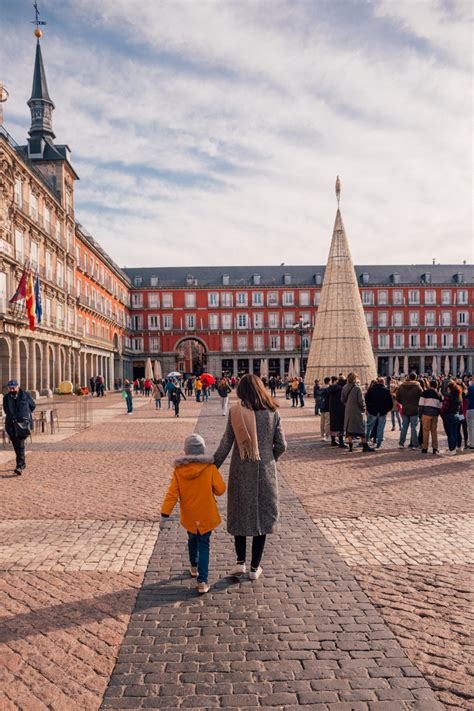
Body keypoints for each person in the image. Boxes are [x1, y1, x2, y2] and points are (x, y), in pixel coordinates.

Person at [213, 374, 287, 580]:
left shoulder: (235, 412)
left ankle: (240, 562)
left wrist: (212, 467)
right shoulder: (272, 413)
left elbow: (225, 444)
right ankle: (255, 567)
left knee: (240, 513)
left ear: (242, 392)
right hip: (265, 472)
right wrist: (270, 459)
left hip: (240, 471)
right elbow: (282, 445)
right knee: (262, 518)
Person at [161, 434, 226, 594]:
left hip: (189, 514)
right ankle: (202, 581)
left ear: (186, 451)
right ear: (202, 450)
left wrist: (165, 513)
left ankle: (193, 566)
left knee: (192, 539)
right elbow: (221, 490)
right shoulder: (210, 468)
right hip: (206, 514)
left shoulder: (179, 471)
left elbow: (172, 494)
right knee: (204, 544)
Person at [3, 379, 36, 475]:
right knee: (16, 445)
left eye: (13, 388)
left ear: (18, 387)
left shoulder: (25, 395)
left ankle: (19, 465)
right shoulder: (6, 398)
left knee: (20, 444)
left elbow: (32, 406)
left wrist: (24, 414)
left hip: (22, 424)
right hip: (11, 424)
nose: (12, 390)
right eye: (10, 388)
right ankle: (22, 463)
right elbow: (6, 410)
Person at [341, 372, 374, 453]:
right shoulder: (357, 388)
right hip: (357, 411)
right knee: (361, 428)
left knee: (349, 429)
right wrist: (363, 408)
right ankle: (365, 446)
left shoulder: (344, 387)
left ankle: (350, 447)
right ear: (354, 379)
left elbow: (342, 399)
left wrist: (348, 405)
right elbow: (361, 401)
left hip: (348, 411)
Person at [365, 377, 393, 449]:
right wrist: (386, 410)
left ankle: (365, 442)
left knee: (369, 427)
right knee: (380, 428)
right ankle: (379, 444)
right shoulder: (386, 391)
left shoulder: (371, 390)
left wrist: (369, 408)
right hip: (382, 412)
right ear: (383, 382)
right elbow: (390, 403)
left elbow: (366, 400)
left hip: (372, 411)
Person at [397, 373, 423, 449]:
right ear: (415, 378)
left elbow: (398, 397)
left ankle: (401, 443)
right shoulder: (418, 387)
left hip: (405, 409)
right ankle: (415, 444)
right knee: (413, 427)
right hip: (415, 409)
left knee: (404, 427)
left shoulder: (401, 386)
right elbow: (422, 398)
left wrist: (404, 403)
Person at [418, 379, 442, 454]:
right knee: (434, 432)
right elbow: (440, 407)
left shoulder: (424, 393)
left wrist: (420, 414)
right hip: (434, 415)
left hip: (426, 414)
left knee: (425, 431)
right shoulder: (439, 395)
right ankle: (435, 448)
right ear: (436, 386)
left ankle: (425, 448)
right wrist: (437, 414)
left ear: (429, 385)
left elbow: (421, 405)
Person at [441, 381, 462, 455]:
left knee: (450, 434)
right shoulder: (458, 396)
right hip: (456, 415)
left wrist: (442, 414)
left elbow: (444, 407)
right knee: (454, 433)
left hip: (448, 416)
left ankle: (451, 449)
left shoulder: (448, 396)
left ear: (449, 388)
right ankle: (454, 447)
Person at [327, 376, 346, 448]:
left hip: (332, 408)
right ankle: (341, 442)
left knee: (333, 425)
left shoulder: (331, 387)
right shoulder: (341, 389)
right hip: (340, 408)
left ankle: (333, 440)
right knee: (340, 425)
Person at [467, 376, 474, 449]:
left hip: (471, 408)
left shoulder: (470, 388)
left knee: (471, 427)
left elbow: (465, 396)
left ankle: (472, 444)